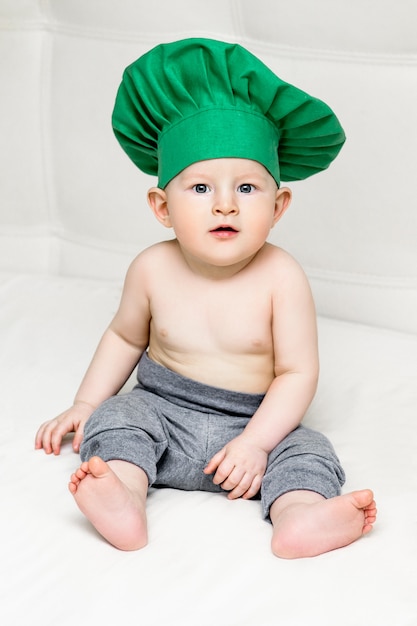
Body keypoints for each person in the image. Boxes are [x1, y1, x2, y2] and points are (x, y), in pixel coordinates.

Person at [35, 38, 376, 558]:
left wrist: (259, 443)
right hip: (163, 413)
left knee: (308, 451)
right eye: (199, 189)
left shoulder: (282, 276)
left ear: (279, 205)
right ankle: (124, 494)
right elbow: (124, 336)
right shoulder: (152, 267)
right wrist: (86, 403)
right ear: (161, 206)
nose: (224, 206)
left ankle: (299, 516)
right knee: (117, 421)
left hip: (255, 425)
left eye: (246, 188)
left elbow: (297, 374)